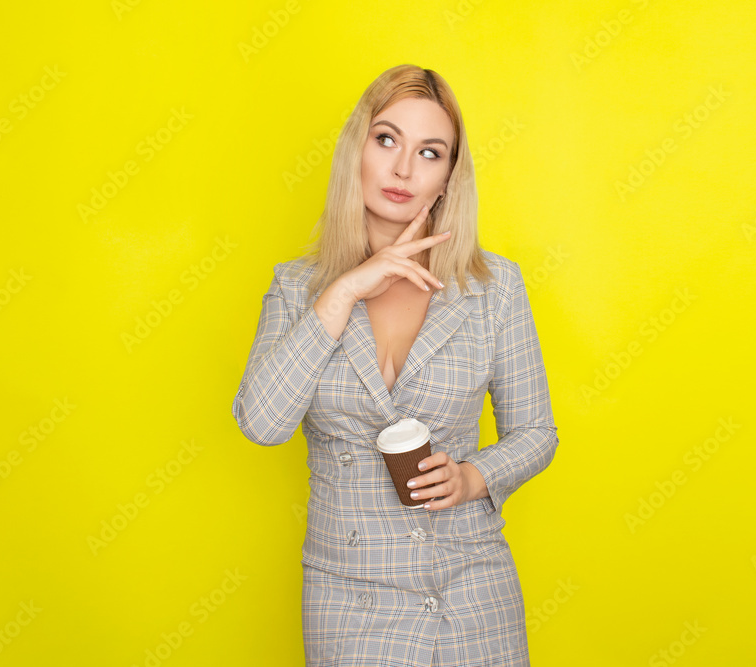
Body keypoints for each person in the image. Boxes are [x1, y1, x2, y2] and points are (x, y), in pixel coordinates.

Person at [232, 64, 558, 666]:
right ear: (356, 149)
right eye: (387, 139)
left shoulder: (494, 287)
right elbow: (262, 422)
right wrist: (342, 293)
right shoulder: (296, 289)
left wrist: (473, 477)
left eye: (429, 152)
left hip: (473, 590)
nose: (403, 169)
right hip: (349, 600)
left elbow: (537, 433)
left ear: (448, 178)